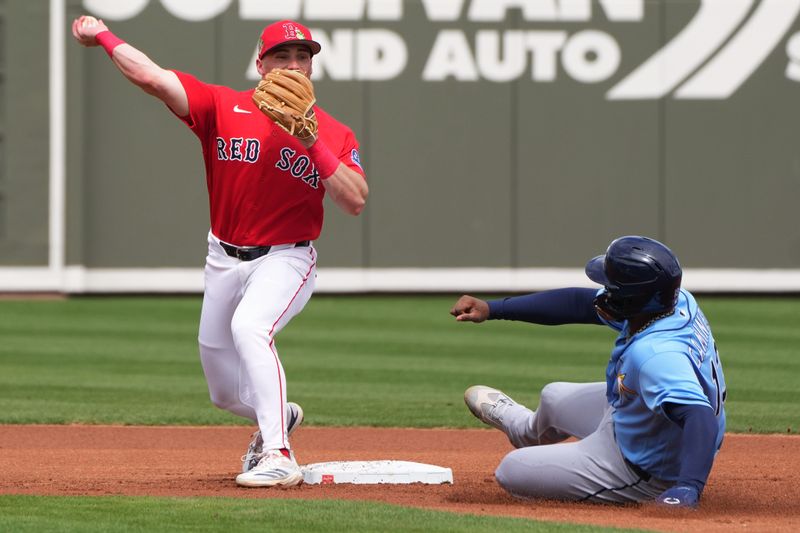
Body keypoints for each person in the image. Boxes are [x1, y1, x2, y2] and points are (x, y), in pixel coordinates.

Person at [72, 16, 369, 488]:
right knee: (223, 391)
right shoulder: (222, 106)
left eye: (302, 57)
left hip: (286, 257)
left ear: (312, 68)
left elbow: (354, 199)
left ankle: (278, 452)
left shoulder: (333, 133)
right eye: (281, 56)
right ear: (260, 63)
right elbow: (151, 76)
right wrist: (103, 35)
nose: (293, 65)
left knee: (250, 327)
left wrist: (311, 139)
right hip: (223, 257)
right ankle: (280, 413)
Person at [450, 236, 726, 508]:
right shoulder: (671, 302)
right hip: (644, 419)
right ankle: (521, 428)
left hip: (645, 466)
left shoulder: (655, 355)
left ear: (629, 298)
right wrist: (493, 309)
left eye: (611, 287)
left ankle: (651, 480)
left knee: (511, 470)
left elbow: (699, 417)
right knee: (553, 396)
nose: (605, 291)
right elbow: (576, 302)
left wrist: (688, 486)